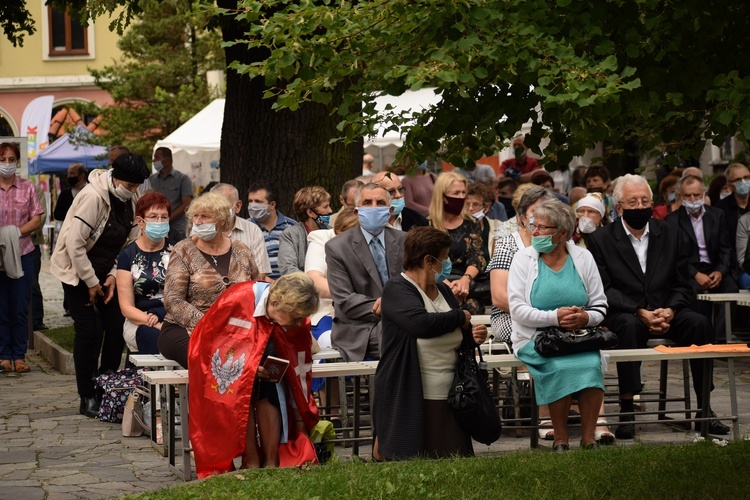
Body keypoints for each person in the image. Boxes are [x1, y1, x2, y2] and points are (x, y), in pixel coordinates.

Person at [587, 174, 730, 438]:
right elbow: (604, 288)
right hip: (628, 312)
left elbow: (683, 282)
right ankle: (628, 410)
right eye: (633, 201)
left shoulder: (671, 234)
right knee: (628, 327)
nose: (640, 206)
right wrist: (639, 311)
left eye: (645, 200)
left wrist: (671, 310)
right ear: (619, 208)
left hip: (667, 309)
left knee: (699, 323)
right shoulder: (601, 240)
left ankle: (705, 410)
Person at [188, 273, 320, 476]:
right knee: (241, 391)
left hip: (270, 372)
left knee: (271, 390)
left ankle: (271, 459)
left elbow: (298, 348)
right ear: (276, 303)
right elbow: (208, 342)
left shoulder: (292, 314)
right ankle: (250, 460)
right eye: (295, 317)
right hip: (233, 370)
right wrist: (247, 369)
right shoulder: (236, 298)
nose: (298, 322)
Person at [373, 226, 487, 460]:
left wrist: (471, 335)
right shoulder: (397, 289)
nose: (447, 265)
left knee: (453, 464)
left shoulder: (444, 290)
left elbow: (454, 329)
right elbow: (421, 324)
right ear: (428, 260)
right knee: (412, 463)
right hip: (411, 392)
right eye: (444, 259)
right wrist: (460, 317)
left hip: (451, 394)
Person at [51, 154, 150, 416]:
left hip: (106, 272)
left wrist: (113, 275)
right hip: (76, 270)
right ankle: (87, 394)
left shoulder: (130, 200)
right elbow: (74, 244)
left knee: (117, 326)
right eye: (129, 186)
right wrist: (91, 282)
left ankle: (106, 385)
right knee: (89, 331)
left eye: (135, 187)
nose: (132, 191)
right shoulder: (92, 197)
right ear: (115, 178)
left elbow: (129, 242)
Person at [507, 199, 609, 451]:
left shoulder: (583, 258)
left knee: (591, 363)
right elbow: (517, 310)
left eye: (543, 228)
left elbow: (600, 305)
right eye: (534, 225)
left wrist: (586, 318)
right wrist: (555, 318)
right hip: (536, 338)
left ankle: (588, 438)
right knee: (558, 365)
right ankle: (560, 438)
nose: (535, 232)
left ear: (562, 234)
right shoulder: (523, 259)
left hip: (579, 337)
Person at [158, 193, 259, 368]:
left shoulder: (241, 250)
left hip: (236, 327)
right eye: (195, 216)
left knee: (267, 352)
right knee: (213, 357)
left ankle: (261, 396)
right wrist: (211, 325)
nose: (197, 221)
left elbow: (256, 289)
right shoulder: (183, 250)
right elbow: (173, 300)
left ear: (221, 221)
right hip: (185, 328)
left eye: (204, 216)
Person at [326, 183, 406, 361]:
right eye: (367, 202)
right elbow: (345, 300)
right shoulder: (337, 247)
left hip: (404, 321)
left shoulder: (405, 241)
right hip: (360, 329)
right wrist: (389, 305)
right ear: (356, 212)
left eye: (380, 203)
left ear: (390, 210)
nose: (374, 207)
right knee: (400, 338)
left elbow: (416, 284)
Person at [666, 175, 738, 338]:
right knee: (692, 293)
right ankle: (703, 338)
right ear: (680, 197)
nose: (693, 199)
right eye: (687, 196)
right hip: (689, 272)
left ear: (704, 194)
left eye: (697, 195)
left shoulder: (717, 215)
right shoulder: (671, 221)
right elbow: (674, 256)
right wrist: (695, 275)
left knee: (732, 289)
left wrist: (720, 271)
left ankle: (719, 339)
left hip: (714, 269)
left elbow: (726, 249)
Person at [0, 142, 44, 373]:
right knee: (1, 306)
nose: (7, 164)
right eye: (3, 159)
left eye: (11, 159)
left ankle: (19, 355)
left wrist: (16, 232)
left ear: (17, 162)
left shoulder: (28, 187)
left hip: (23, 251)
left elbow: (37, 218)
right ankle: (3, 355)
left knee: (19, 305)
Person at [116, 191, 173, 354]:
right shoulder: (127, 255)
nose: (159, 221)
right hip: (139, 321)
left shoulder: (178, 252)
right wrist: (155, 323)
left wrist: (165, 320)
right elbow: (126, 307)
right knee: (160, 338)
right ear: (140, 222)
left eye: (164, 217)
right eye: (154, 217)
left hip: (174, 318)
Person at [428, 172, 486, 314]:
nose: (461, 197)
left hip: (467, 285)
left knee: (470, 309)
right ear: (442, 196)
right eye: (456, 193)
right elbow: (424, 261)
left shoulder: (471, 223)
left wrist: (465, 280)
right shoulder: (427, 224)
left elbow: (477, 257)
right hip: (434, 283)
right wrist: (445, 285)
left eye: (463, 192)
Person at [211, 183, 271, 279]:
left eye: (223, 206)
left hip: (244, 290)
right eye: (213, 206)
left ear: (237, 206)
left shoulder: (252, 231)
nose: (217, 210)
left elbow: (260, 275)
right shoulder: (203, 229)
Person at [247, 181, 297, 280]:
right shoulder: (244, 228)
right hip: (257, 285)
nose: (253, 206)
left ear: (272, 205)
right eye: (250, 201)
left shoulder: (292, 227)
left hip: (290, 285)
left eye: (258, 201)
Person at [278, 186, 332, 276]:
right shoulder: (290, 235)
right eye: (325, 207)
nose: (330, 210)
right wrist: (314, 282)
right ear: (310, 212)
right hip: (301, 287)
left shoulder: (331, 232)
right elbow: (287, 268)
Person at [148, 147, 193, 241]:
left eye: (156, 157)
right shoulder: (151, 179)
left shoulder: (182, 179)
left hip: (176, 228)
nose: (153, 160)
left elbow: (187, 203)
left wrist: (168, 218)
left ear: (167, 159)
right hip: (155, 228)